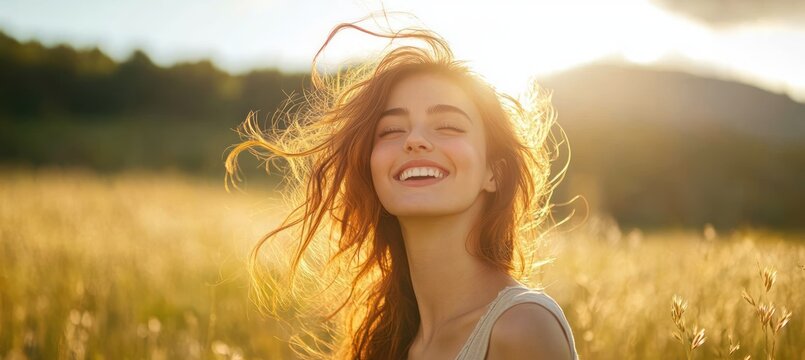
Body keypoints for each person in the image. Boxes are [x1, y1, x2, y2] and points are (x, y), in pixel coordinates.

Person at [225, 16, 579, 360]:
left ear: (494, 174)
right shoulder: (396, 334)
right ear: (372, 168)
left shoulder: (523, 328)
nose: (415, 140)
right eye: (392, 130)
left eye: (448, 126)